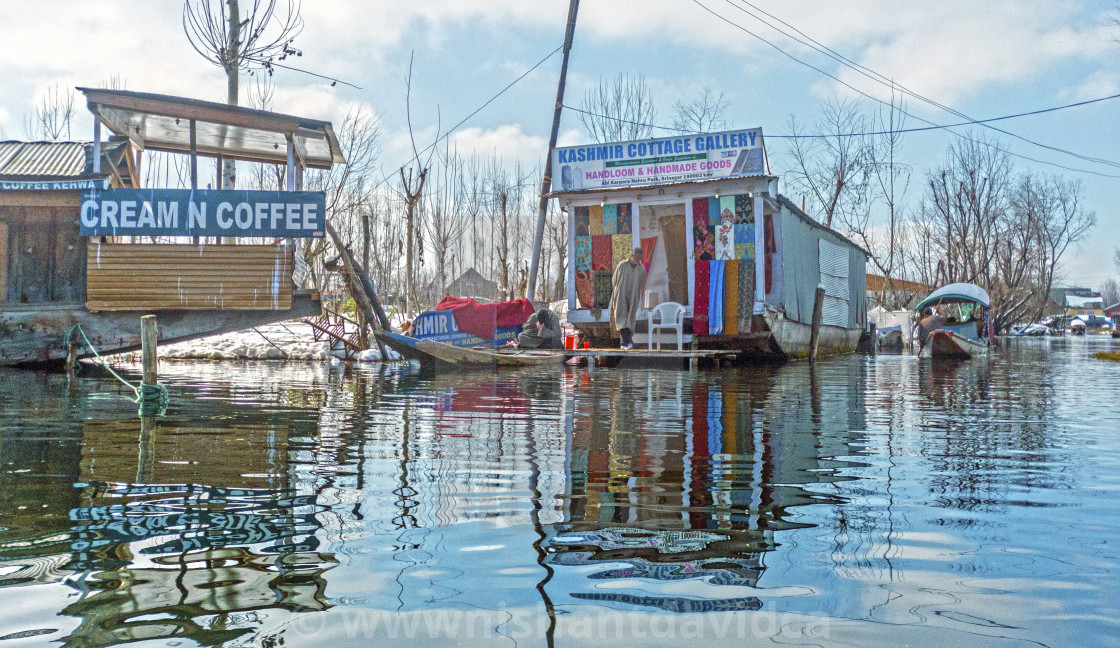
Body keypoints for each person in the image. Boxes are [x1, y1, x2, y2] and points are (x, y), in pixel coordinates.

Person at [610, 247, 646, 350]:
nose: (637, 260)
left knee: (630, 318)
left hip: (634, 295)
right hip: (621, 293)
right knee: (621, 317)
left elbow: (641, 283)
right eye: (636, 257)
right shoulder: (622, 265)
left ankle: (626, 342)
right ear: (632, 255)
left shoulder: (642, 269)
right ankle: (625, 342)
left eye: (639, 258)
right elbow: (614, 280)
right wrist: (618, 291)